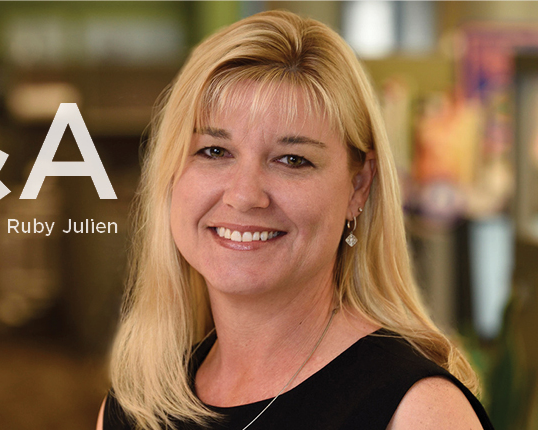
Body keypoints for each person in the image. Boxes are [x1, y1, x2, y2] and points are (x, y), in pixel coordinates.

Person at [97, 10, 493, 430]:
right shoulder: (134, 407)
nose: (245, 195)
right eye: (214, 151)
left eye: (292, 159)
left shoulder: (419, 412)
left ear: (358, 187)